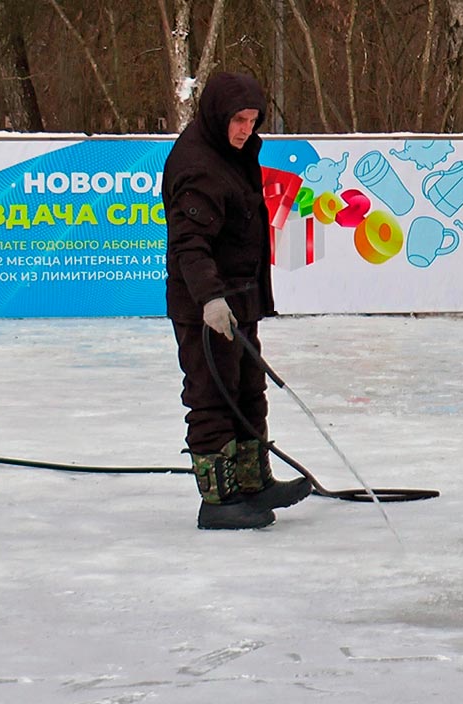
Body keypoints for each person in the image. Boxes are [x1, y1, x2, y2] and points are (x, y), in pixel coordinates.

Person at [161, 72, 311, 530]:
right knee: (212, 394)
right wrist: (209, 300)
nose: (246, 129)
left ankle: (253, 481)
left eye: (252, 119)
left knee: (248, 389)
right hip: (207, 307)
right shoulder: (197, 165)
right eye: (238, 120)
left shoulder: (236, 153)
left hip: (240, 300)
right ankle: (219, 500)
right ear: (216, 115)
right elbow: (189, 244)